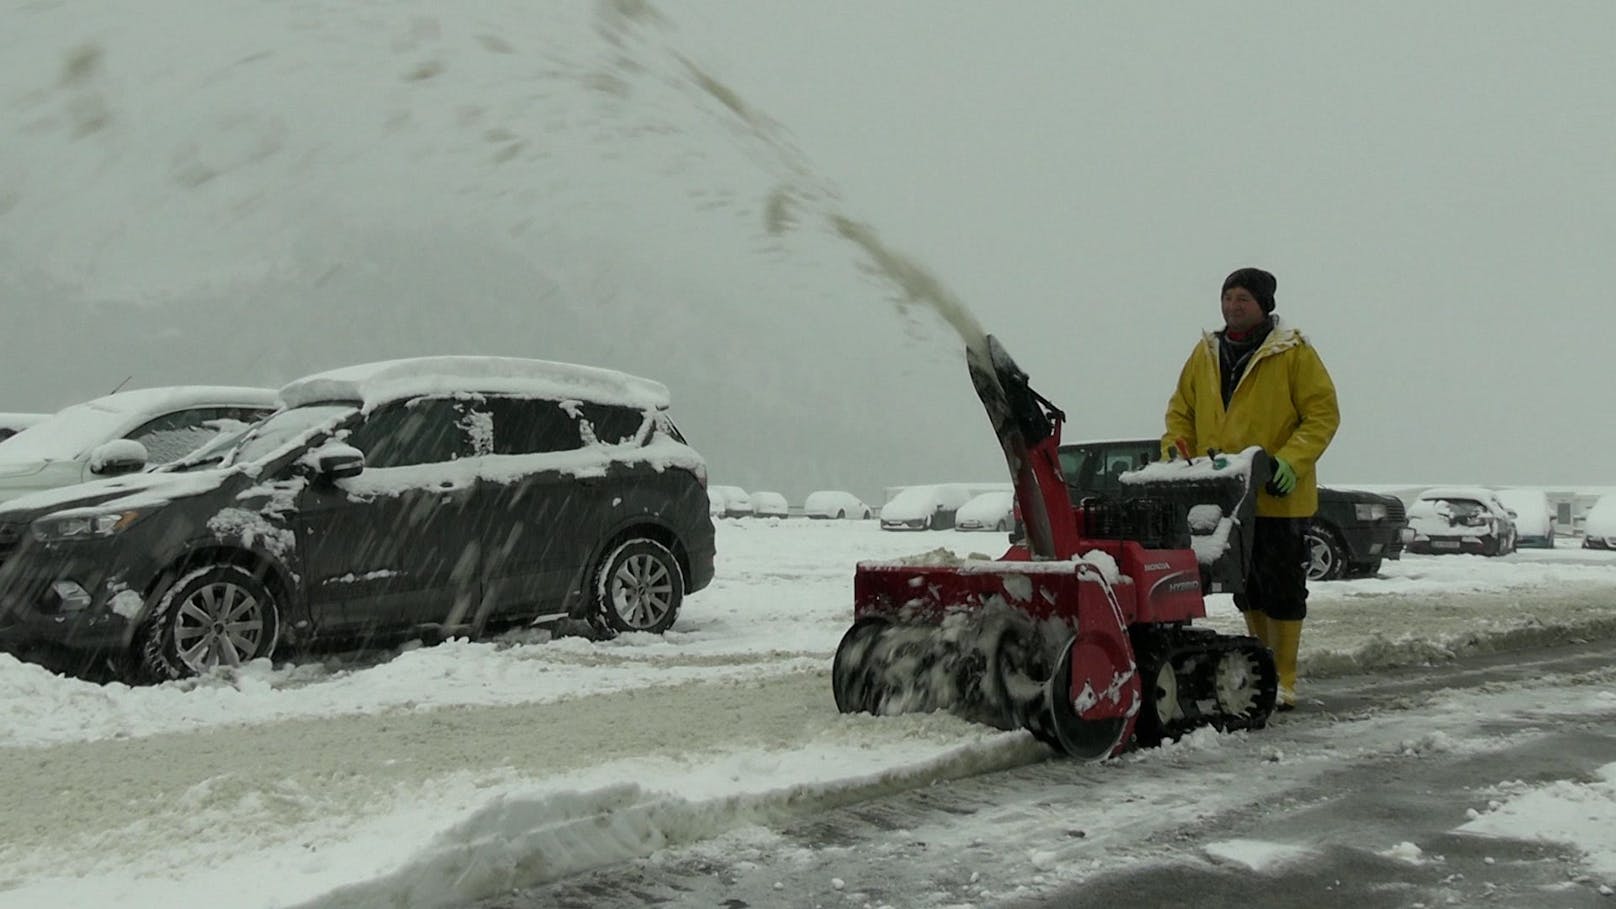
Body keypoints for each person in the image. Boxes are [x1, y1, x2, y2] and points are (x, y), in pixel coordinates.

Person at [1161, 267, 1339, 710]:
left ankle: (1286, 676)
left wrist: (1291, 462)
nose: (1232, 306)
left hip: (1278, 497)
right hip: (1224, 497)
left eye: (1243, 298)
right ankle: (1262, 667)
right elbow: (1180, 411)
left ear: (1264, 305)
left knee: (1283, 587)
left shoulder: (1293, 353)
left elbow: (1322, 415)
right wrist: (1175, 448)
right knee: (1248, 588)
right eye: (1227, 297)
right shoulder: (1204, 353)